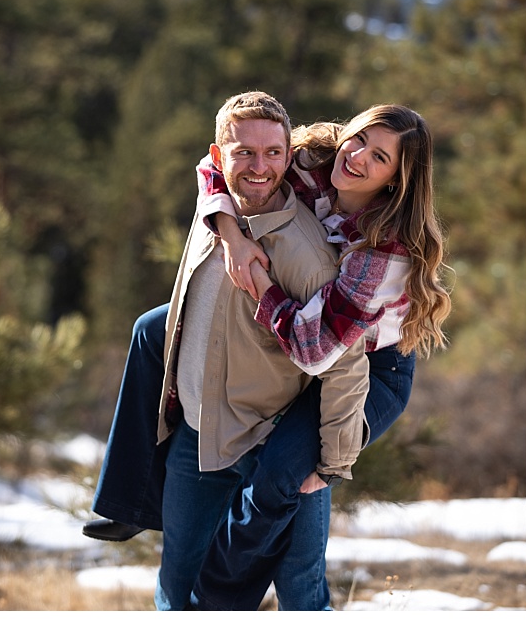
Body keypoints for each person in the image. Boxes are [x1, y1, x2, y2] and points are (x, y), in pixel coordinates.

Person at [83, 103, 450, 609]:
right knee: (152, 329)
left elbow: (320, 350)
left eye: (380, 156)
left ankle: (218, 598)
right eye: (360, 137)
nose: (359, 155)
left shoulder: (382, 250)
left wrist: (259, 283)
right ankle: (126, 501)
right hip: (308, 338)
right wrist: (232, 236)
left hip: (368, 364)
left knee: (286, 481)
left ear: (396, 180)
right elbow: (219, 166)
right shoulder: (311, 159)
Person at [143, 92, 372, 610]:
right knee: (177, 590)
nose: (259, 166)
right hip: (197, 443)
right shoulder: (212, 222)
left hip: (269, 447)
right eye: (243, 152)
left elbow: (347, 367)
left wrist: (329, 465)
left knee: (302, 597)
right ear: (217, 155)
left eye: (273, 153)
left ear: (289, 157)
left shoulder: (306, 254)